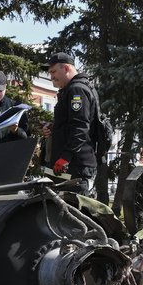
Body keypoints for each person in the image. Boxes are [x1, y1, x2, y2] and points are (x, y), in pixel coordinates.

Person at [40, 52, 99, 197]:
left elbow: (80, 127)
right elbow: (73, 123)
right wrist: (55, 128)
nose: (51, 77)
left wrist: (65, 156)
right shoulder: (72, 89)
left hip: (74, 166)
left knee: (74, 213)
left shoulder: (76, 90)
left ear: (66, 68)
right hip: (69, 164)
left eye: (53, 72)